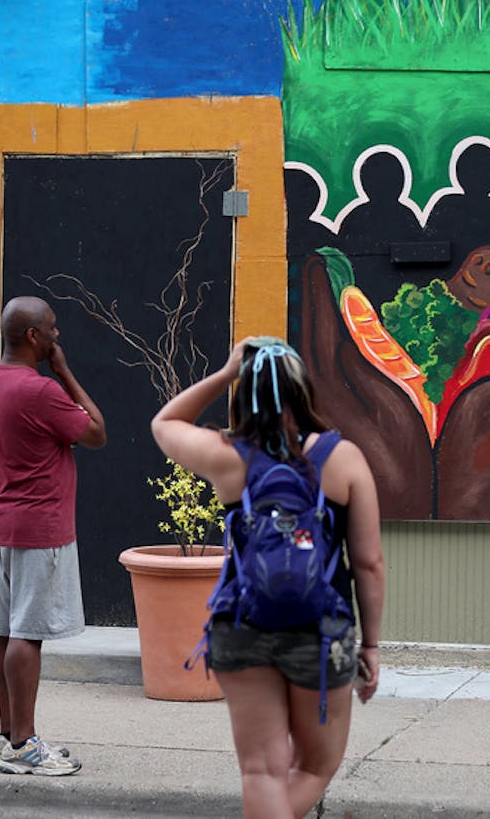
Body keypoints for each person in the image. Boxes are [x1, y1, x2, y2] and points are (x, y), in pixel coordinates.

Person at [151, 336, 385, 819]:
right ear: (304, 391)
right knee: (316, 766)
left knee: (260, 771)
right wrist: (371, 646)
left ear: (245, 391)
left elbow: (164, 423)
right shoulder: (346, 459)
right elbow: (368, 563)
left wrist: (225, 371)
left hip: (242, 625)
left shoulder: (228, 456)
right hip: (320, 634)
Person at [0, 296, 106, 776]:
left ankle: (8, 736)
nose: (57, 337)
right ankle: (25, 745)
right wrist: (65, 372)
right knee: (28, 634)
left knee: (4, 630)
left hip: (1, 525)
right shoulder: (41, 391)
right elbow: (95, 431)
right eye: (51, 330)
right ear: (32, 337)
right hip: (40, 527)